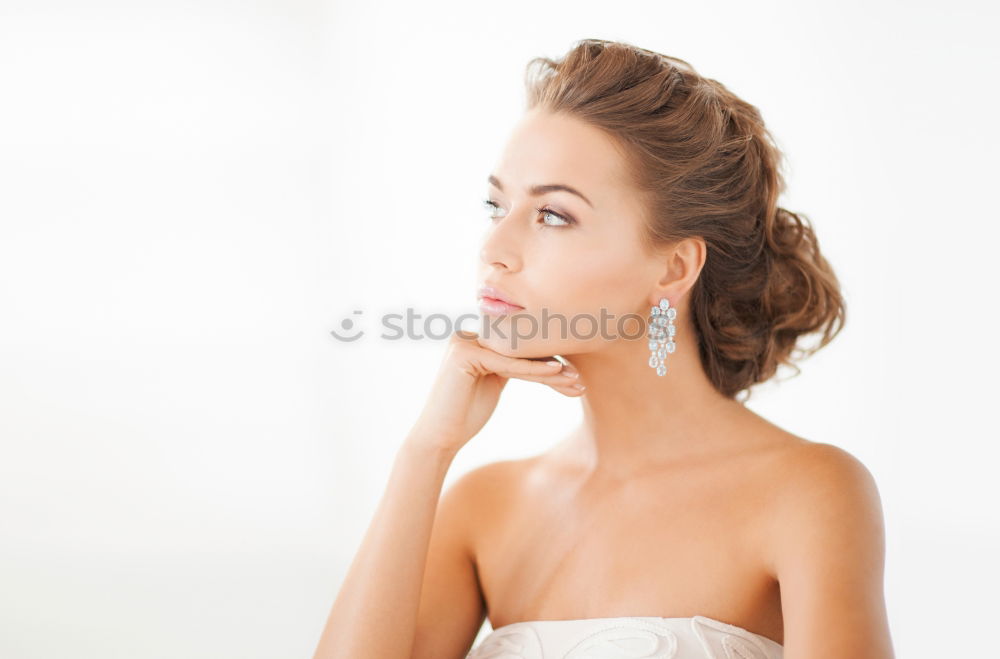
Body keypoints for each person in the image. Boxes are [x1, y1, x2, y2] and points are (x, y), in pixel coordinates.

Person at [312, 38, 894, 659]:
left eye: (553, 215)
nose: (493, 249)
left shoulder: (810, 494)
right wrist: (425, 451)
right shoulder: (483, 509)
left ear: (673, 268)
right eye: (497, 205)